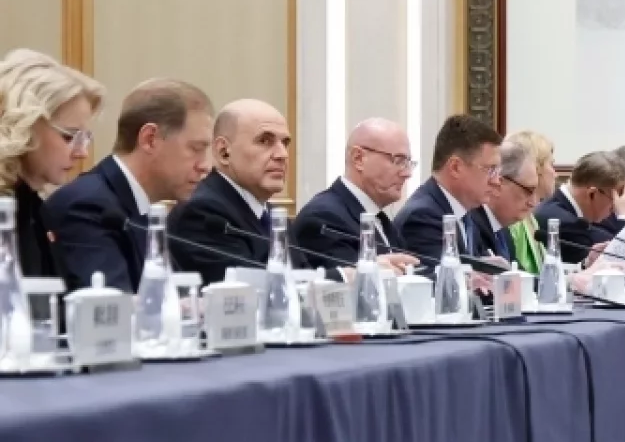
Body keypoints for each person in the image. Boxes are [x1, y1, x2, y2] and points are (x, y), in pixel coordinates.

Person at [169, 100, 416, 284]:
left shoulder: (272, 215)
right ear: (224, 152)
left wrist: (366, 270)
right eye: (265, 141)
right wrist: (350, 275)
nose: (282, 154)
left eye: (285, 143)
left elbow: (303, 277)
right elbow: (250, 292)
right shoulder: (203, 211)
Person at [43, 79, 214, 292]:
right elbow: (111, 306)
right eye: (196, 148)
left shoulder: (141, 209)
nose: (205, 166)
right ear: (150, 139)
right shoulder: (87, 207)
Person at [0, 49, 104, 278]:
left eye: (85, 138)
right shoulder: (10, 210)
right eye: (69, 137)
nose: (82, 153)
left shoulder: (35, 208)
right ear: (24, 126)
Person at [293, 117, 412, 268]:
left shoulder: (380, 219)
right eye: (399, 161)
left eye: (408, 163)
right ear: (359, 159)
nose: (407, 173)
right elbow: (348, 280)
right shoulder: (323, 218)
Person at [395, 114, 503, 262]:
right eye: (490, 170)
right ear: (455, 167)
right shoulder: (423, 217)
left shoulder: (467, 215)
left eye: (497, 171)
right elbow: (444, 276)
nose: (496, 181)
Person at [533, 151, 625, 265]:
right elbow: (620, 257)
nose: (616, 206)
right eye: (614, 198)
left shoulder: (562, 207)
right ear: (592, 194)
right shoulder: (566, 224)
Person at [469, 142, 539, 265]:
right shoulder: (472, 227)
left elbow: (516, 272)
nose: (533, 202)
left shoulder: (502, 229)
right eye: (528, 190)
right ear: (499, 183)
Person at [503, 129, 555, 273]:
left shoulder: (529, 216)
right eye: (551, 164)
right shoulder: (513, 219)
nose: (555, 173)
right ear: (536, 167)